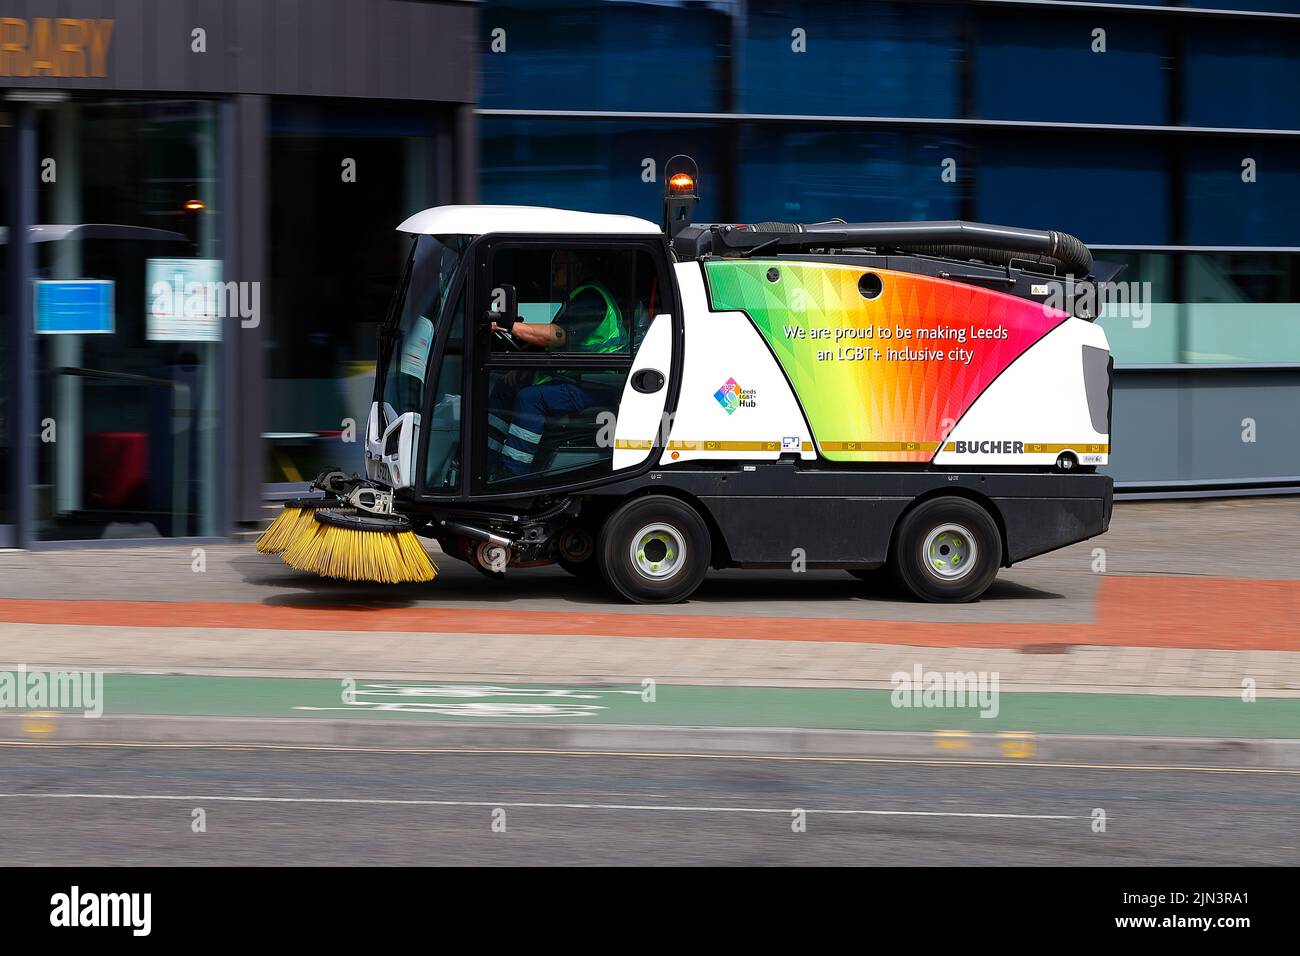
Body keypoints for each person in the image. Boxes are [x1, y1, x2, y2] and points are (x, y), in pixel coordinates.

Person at [488, 251, 626, 478]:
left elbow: (558, 336)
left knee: (530, 398)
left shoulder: (591, 298)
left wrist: (510, 326)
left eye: (559, 267)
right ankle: (488, 461)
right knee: (505, 388)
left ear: (578, 267)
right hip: (577, 379)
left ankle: (513, 473)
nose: (553, 273)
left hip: (596, 384)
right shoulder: (579, 297)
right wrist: (523, 366)